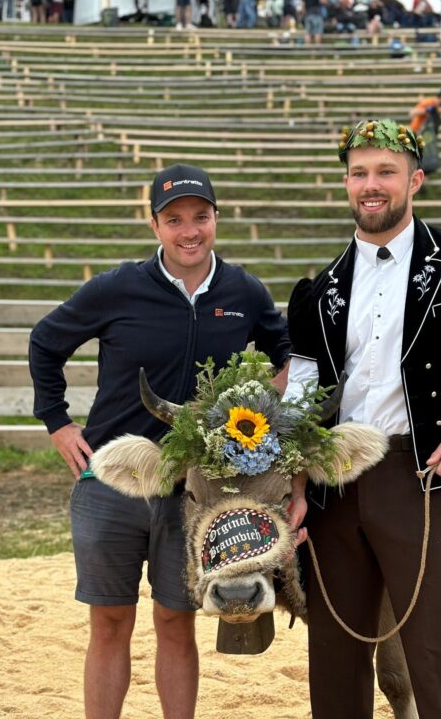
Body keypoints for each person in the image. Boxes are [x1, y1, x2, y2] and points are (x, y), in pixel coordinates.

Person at [285, 118, 441, 719]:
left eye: (385, 172)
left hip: (422, 476)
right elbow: (300, 400)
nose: (370, 185)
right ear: (346, 185)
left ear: (415, 180)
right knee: (336, 655)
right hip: (331, 487)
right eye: (358, 174)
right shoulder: (320, 289)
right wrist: (296, 486)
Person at [29, 163, 290, 719]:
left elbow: (288, 358)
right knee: (109, 622)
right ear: (155, 226)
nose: (188, 231)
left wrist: (264, 408)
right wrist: (57, 422)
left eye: (200, 217)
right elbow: (45, 342)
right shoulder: (115, 287)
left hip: (194, 493)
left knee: (177, 621)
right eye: (174, 220)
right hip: (112, 483)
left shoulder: (245, 291)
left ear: (216, 218)